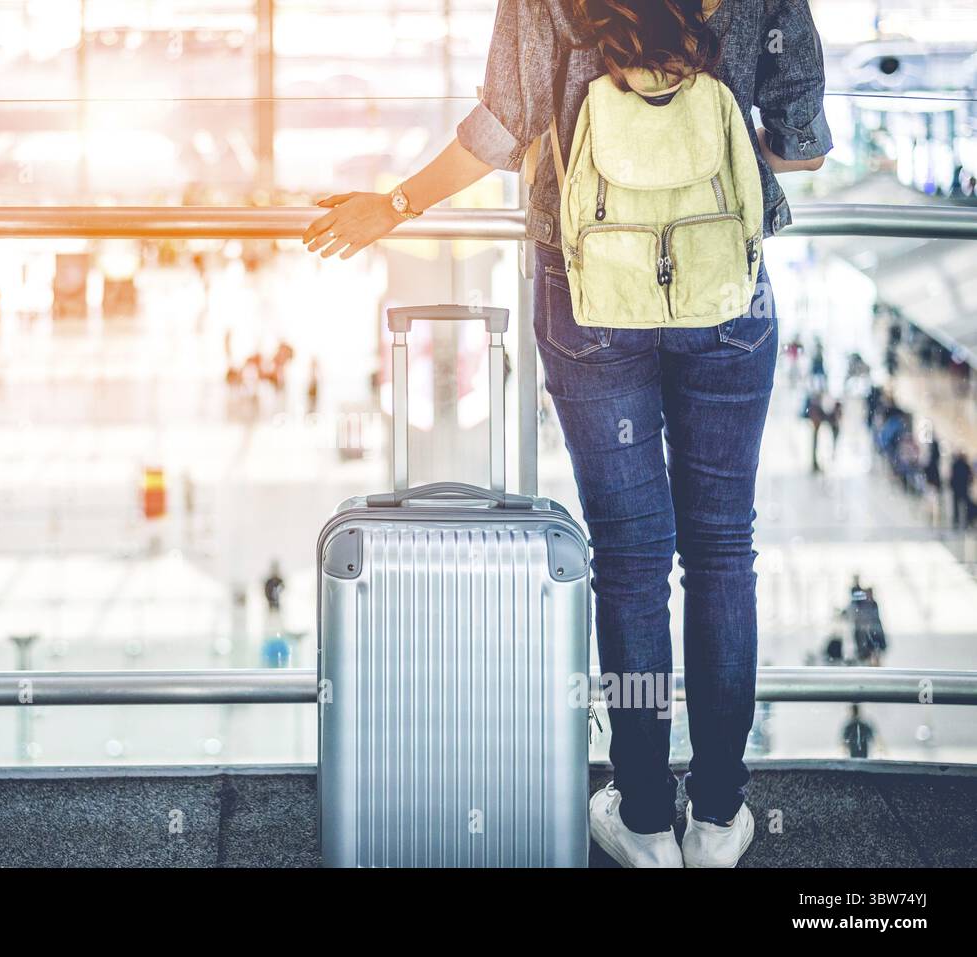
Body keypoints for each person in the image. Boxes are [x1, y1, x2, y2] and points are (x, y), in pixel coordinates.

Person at [303, 0, 831, 867]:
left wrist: (392, 205)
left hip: (592, 291)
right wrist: (706, 134)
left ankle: (648, 817)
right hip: (723, 295)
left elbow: (501, 128)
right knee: (722, 553)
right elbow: (802, 143)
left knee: (630, 559)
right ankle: (719, 817)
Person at [951, 451, 974, 530]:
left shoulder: (955, 465)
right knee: (964, 506)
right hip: (963, 489)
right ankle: (965, 521)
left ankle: (957, 521)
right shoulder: (965, 465)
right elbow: (971, 477)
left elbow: (952, 477)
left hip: (957, 489)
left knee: (956, 507)